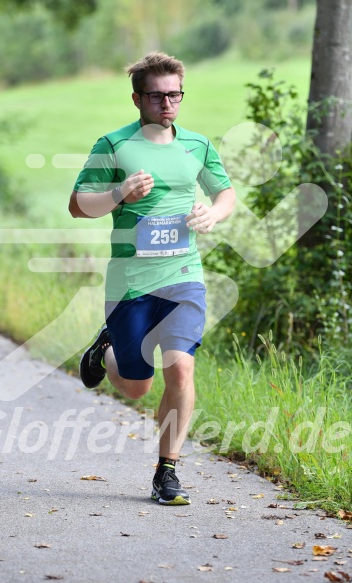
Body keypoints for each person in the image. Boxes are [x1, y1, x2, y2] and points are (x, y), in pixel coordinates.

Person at [69, 52, 236, 506]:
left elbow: (225, 192)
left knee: (181, 366)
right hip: (130, 281)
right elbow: (78, 204)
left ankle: (167, 471)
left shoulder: (197, 145)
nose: (168, 104)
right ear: (137, 98)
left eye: (175, 94)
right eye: (158, 96)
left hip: (183, 275)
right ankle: (106, 351)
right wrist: (120, 192)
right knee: (137, 386)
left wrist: (213, 213)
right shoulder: (113, 145)